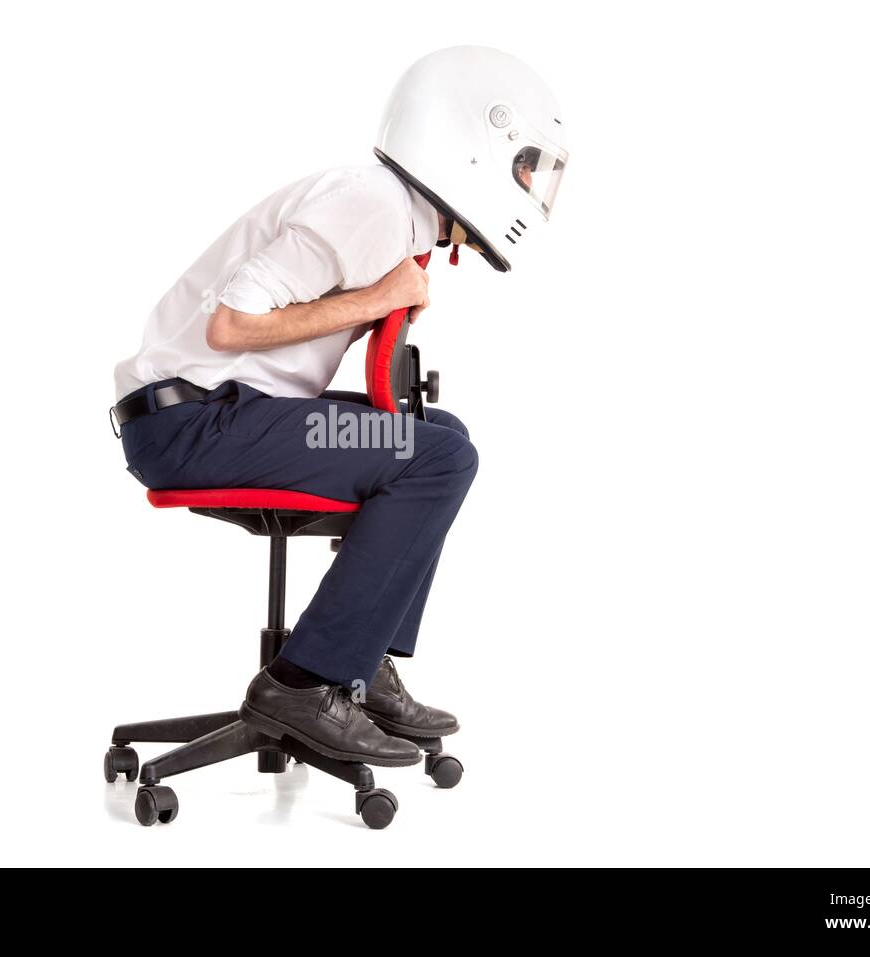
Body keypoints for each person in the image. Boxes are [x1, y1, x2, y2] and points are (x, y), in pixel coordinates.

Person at [112, 46, 567, 766]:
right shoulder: (372, 205)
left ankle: (362, 663)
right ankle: (303, 682)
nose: (530, 188)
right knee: (438, 457)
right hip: (195, 423)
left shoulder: (395, 215)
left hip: (225, 416)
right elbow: (230, 326)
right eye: (524, 167)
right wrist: (378, 298)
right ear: (471, 145)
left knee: (439, 435)